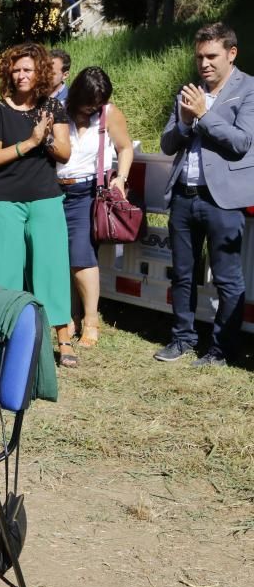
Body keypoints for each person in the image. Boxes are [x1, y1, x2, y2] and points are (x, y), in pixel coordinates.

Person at [155, 23, 252, 367]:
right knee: (182, 272)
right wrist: (183, 123)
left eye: (212, 56)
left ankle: (221, 349)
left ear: (231, 53)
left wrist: (204, 115)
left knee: (227, 278)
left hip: (223, 200)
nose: (204, 63)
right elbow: (167, 144)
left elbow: (242, 142)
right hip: (184, 194)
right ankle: (182, 339)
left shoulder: (249, 89)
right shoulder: (189, 92)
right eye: (199, 57)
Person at [0, 42, 75, 366]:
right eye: (16, 69)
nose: (21, 75)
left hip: (45, 198)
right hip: (4, 201)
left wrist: (44, 137)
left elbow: (64, 153)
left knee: (51, 270)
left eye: (27, 69)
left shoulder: (53, 109)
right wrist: (29, 142)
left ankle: (63, 340)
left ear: (40, 72)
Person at [56, 67, 133, 348]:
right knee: (59, 258)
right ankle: (68, 316)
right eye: (90, 102)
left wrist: (120, 179)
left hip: (85, 193)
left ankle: (91, 320)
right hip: (53, 190)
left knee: (81, 255)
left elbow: (125, 148)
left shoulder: (109, 114)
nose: (94, 108)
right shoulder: (59, 109)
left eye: (99, 102)